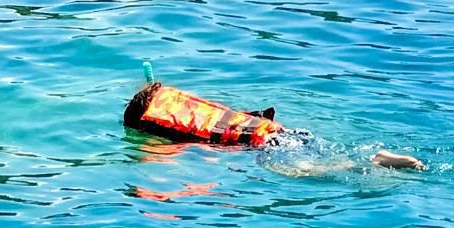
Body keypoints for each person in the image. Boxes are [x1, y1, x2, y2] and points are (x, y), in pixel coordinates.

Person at [123, 80, 424, 172]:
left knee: (308, 171)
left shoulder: (164, 129)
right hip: (283, 132)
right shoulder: (194, 109)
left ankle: (372, 162)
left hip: (268, 147)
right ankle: (371, 159)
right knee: (322, 155)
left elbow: (194, 151)